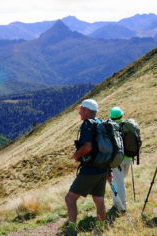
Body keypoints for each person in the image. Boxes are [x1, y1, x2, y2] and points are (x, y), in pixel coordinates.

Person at [65, 99, 112, 236]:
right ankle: (99, 229)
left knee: (70, 198)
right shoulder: (100, 123)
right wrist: (108, 170)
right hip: (103, 167)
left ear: (86, 111)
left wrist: (75, 155)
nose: (79, 112)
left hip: (90, 169)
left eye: (81, 109)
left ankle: (72, 230)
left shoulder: (87, 124)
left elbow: (87, 147)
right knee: (99, 199)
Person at [108, 107, 132, 213]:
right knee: (119, 181)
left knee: (118, 182)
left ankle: (122, 206)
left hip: (117, 160)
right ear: (122, 116)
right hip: (129, 157)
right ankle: (117, 203)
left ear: (111, 117)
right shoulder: (128, 125)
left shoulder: (111, 127)